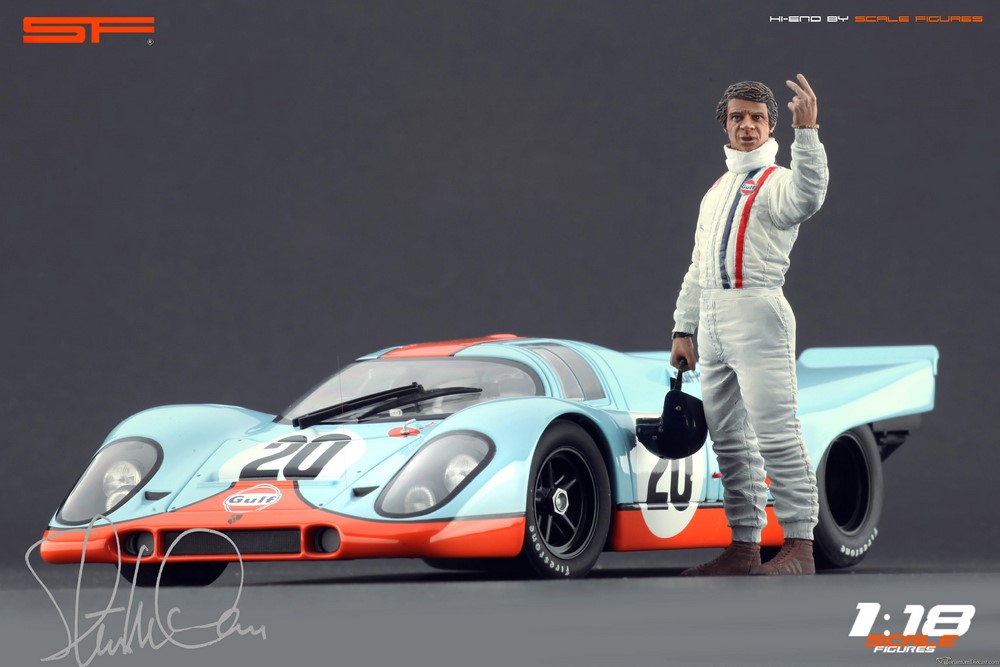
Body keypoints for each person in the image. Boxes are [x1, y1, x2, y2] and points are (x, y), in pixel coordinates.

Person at [670, 75, 828, 576]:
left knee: (776, 432)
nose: (747, 125)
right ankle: (744, 545)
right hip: (713, 317)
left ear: (771, 126)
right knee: (728, 440)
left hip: (758, 311)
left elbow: (808, 196)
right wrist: (684, 328)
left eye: (757, 117)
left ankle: (800, 545)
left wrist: (808, 135)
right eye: (737, 116)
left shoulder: (778, 181)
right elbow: (698, 266)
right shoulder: (716, 191)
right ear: (725, 123)